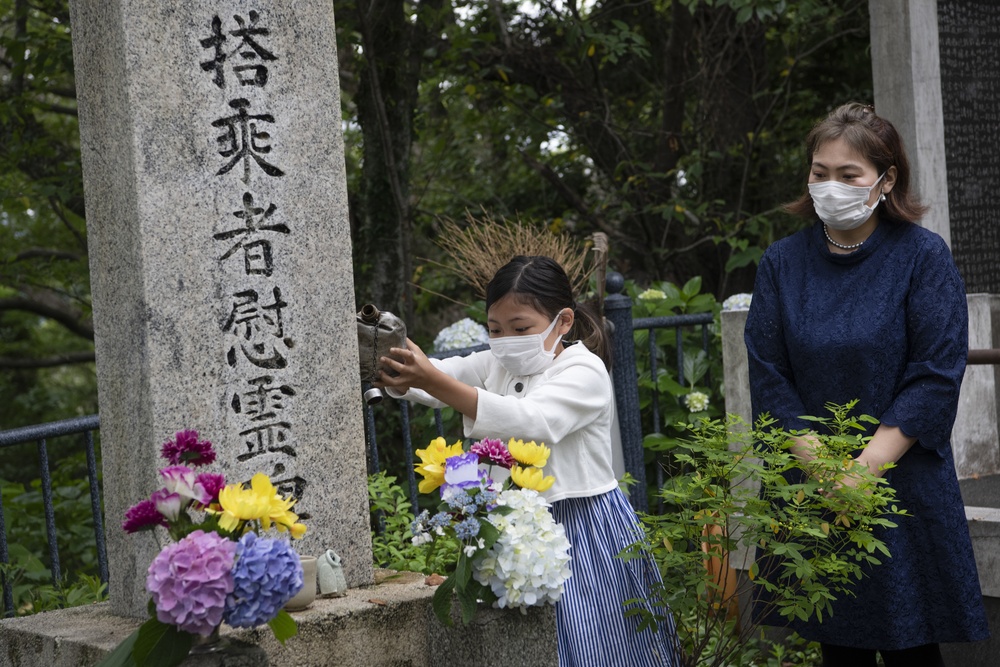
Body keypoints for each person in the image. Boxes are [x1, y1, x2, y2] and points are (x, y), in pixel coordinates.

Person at [744, 102, 989, 667]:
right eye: (819, 172)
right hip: (812, 482)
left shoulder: (923, 257)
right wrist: (824, 472)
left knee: (912, 644)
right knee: (838, 645)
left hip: (901, 482)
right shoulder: (782, 263)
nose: (830, 186)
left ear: (886, 180)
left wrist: (862, 472)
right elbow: (769, 374)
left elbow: (934, 373)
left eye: (848, 175)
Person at [375, 255, 682, 666]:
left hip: (584, 526)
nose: (505, 341)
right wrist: (396, 367)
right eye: (495, 330)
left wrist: (431, 379)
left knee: (596, 641)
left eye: (520, 329)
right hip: (514, 523)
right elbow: (438, 376)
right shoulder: (496, 362)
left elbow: (533, 421)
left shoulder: (584, 370)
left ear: (564, 321)